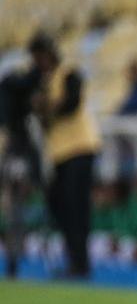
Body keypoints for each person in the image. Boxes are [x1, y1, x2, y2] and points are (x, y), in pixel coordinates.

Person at [29, 33, 100, 279]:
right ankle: (76, 258)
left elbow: (71, 104)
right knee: (60, 204)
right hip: (59, 152)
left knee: (75, 206)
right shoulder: (42, 82)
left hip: (80, 147)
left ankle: (80, 263)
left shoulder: (69, 73)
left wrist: (46, 106)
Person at [0, 60, 43, 277]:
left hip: (17, 160)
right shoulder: (20, 128)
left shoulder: (18, 128)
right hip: (17, 159)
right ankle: (13, 258)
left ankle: (13, 258)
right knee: (14, 214)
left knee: (15, 214)